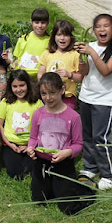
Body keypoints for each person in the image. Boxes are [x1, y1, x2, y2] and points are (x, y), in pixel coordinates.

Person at [26, 72, 94, 215]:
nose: (48, 98)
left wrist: (67, 152)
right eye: (44, 94)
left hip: (63, 162)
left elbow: (78, 144)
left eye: (52, 93)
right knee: (39, 200)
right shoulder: (38, 114)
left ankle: (85, 186)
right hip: (42, 162)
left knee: (68, 208)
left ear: (62, 90)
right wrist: (31, 148)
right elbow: (33, 138)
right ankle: (52, 185)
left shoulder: (74, 116)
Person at [74, 14, 112, 190]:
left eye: (106, 26)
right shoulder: (91, 46)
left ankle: (111, 175)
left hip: (104, 100)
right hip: (86, 96)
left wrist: (91, 53)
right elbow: (85, 72)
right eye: (98, 26)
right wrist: (82, 59)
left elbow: (106, 70)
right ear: (94, 30)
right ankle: (90, 167)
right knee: (87, 135)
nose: (102, 29)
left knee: (100, 137)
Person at [0, 70, 44, 179]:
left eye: (22, 85)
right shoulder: (6, 102)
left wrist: (30, 146)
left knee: (30, 171)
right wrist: (9, 143)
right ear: (10, 87)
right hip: (11, 144)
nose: (19, 89)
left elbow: (42, 128)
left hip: (32, 145)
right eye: (15, 86)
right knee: (14, 173)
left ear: (28, 84)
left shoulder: (37, 103)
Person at [37, 19, 82, 110]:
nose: (62, 38)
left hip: (67, 97)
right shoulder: (47, 53)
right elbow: (40, 73)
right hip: (49, 96)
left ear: (71, 37)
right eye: (59, 34)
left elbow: (81, 78)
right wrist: (45, 82)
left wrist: (69, 74)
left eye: (66, 35)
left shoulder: (75, 55)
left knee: (65, 117)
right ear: (54, 36)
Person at [11, 7, 50, 81]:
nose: (40, 26)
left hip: (39, 79)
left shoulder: (50, 42)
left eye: (43, 23)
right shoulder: (24, 39)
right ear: (31, 22)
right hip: (22, 78)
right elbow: (18, 59)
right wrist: (13, 66)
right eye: (37, 22)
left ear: (47, 23)